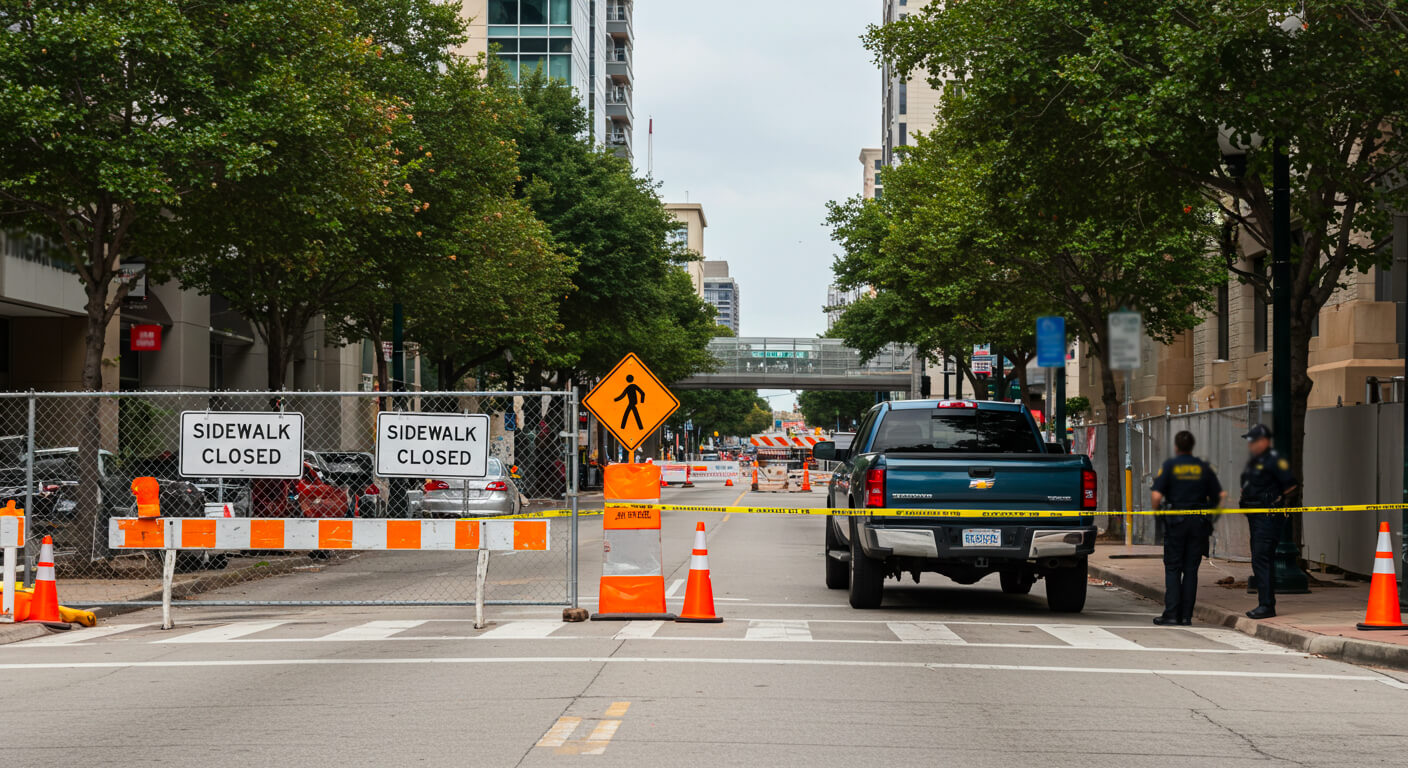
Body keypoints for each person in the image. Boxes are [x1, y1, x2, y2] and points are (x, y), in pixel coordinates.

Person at [1150, 431, 1225, 626]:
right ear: (1192, 446)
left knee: (1173, 568)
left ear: (1176, 447)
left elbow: (1156, 497)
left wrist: (1159, 514)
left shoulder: (1170, 466)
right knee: (1191, 570)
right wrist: (1212, 515)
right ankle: (1186, 616)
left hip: (1176, 522)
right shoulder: (1203, 468)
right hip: (1199, 523)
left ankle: (1172, 614)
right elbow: (1220, 495)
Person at [1239, 423, 1298, 620]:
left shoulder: (1274, 460)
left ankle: (1266, 605)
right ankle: (1264, 603)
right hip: (1255, 516)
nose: (1250, 445)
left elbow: (1290, 487)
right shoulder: (1255, 462)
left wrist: (1275, 503)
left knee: (1262, 560)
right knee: (1259, 560)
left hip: (1267, 517)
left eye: (1253, 441)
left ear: (1264, 441)